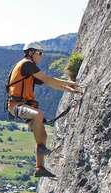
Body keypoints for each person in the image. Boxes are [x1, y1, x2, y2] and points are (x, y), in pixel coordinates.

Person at [6, 42, 82, 178]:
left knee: (44, 136)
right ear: (31, 53)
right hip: (16, 106)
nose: (41, 56)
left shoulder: (28, 69)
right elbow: (48, 79)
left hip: (23, 106)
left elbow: (49, 83)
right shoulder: (27, 65)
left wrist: (69, 89)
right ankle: (41, 148)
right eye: (39, 53)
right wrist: (70, 83)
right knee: (38, 114)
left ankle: (39, 167)